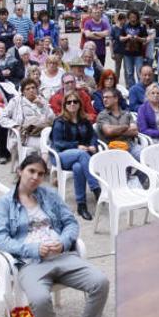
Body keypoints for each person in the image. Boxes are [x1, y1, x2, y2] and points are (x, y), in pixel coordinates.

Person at [0, 155, 109, 317]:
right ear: (20, 171)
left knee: (100, 282)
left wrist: (62, 242)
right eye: (31, 171)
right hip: (31, 263)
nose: (35, 177)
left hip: (62, 256)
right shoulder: (5, 203)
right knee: (39, 300)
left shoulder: (49, 195)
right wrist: (33, 249)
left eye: (40, 174)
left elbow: (71, 223)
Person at [50, 90, 100, 220]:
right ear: (65, 105)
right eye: (69, 102)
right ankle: (97, 190)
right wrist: (76, 146)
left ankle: (81, 205)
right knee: (81, 155)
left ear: (79, 104)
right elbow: (58, 143)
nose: (72, 104)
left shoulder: (84, 120)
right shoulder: (59, 122)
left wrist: (93, 145)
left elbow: (93, 136)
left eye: (75, 101)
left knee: (78, 167)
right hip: (61, 156)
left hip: (81, 156)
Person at [0, 78, 55, 153]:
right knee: (47, 145)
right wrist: (15, 125)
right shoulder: (16, 102)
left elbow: (52, 118)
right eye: (27, 89)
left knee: (50, 141)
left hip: (43, 132)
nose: (31, 90)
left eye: (33, 88)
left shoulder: (41, 100)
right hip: (26, 136)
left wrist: (42, 106)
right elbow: (2, 117)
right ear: (23, 92)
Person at [96, 88, 142, 160]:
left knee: (145, 157)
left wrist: (116, 132)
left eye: (107, 97)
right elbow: (109, 131)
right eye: (104, 97)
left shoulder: (126, 114)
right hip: (114, 147)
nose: (104, 100)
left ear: (116, 99)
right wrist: (125, 127)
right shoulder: (102, 115)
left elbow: (134, 131)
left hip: (130, 145)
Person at [119, 9, 147, 88]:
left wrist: (138, 38)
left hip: (138, 54)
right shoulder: (125, 26)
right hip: (127, 53)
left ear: (137, 17)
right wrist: (127, 37)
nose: (133, 19)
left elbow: (145, 39)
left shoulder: (142, 26)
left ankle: (141, 88)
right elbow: (120, 38)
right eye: (131, 17)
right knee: (129, 73)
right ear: (128, 17)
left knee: (139, 72)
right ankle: (132, 89)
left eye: (134, 17)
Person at [109, 12, 126, 85]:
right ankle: (116, 83)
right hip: (117, 51)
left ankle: (128, 84)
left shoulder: (125, 27)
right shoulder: (114, 28)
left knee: (127, 69)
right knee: (117, 68)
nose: (125, 21)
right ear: (120, 20)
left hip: (126, 51)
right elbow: (111, 41)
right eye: (124, 20)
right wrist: (112, 53)